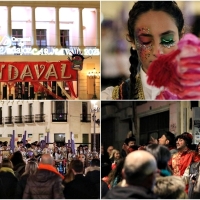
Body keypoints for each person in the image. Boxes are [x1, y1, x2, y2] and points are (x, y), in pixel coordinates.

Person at [101, 1, 184, 100]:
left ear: (181, 37)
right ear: (132, 41)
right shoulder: (111, 97)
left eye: (167, 40)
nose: (157, 51)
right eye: (146, 40)